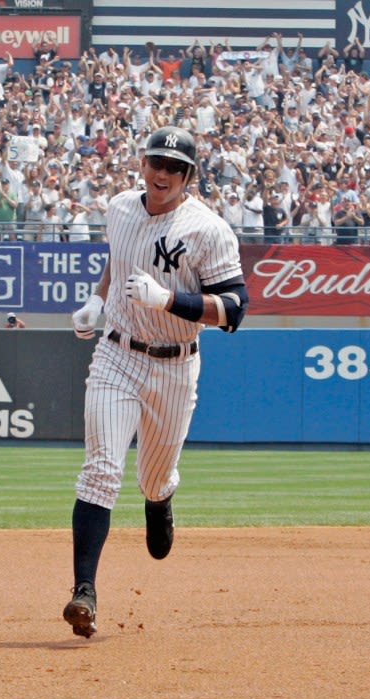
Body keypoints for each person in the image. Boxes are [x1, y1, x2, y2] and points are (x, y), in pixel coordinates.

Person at [63, 127, 249, 639]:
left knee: (152, 476)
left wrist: (167, 299)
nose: (162, 173)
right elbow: (117, 260)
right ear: (141, 164)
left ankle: (160, 496)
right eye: (155, 162)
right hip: (117, 354)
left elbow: (234, 312)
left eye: (174, 167)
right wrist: (98, 301)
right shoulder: (120, 208)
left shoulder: (208, 230)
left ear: (189, 176)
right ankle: (84, 591)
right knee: (100, 469)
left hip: (174, 364)